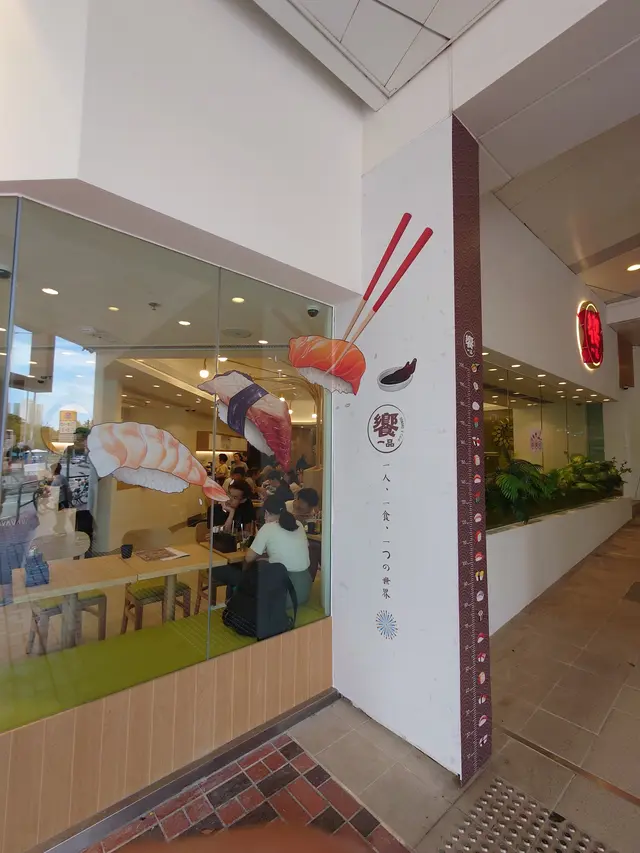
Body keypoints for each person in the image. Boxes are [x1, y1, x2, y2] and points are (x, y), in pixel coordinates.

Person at [211, 494, 311, 607]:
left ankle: (232, 604)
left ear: (267, 513)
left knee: (223, 570)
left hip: (283, 595)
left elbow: (249, 558)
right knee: (251, 572)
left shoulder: (268, 528)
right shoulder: (298, 524)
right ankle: (233, 601)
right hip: (303, 590)